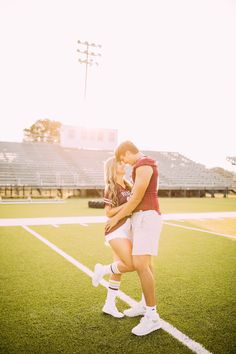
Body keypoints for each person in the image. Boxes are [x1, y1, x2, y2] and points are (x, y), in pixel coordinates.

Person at [105, 141, 163, 336]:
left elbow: (136, 198)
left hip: (147, 216)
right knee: (145, 264)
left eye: (124, 158)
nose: (125, 162)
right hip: (141, 217)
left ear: (128, 152)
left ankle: (152, 315)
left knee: (140, 264)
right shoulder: (140, 166)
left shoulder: (144, 164)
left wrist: (116, 218)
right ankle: (144, 304)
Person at [92, 156, 138, 318]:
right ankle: (102, 269)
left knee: (118, 269)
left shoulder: (128, 184)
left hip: (129, 229)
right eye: (119, 163)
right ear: (113, 167)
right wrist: (129, 205)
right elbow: (108, 212)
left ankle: (109, 305)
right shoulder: (110, 187)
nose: (123, 164)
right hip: (116, 229)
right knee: (132, 264)